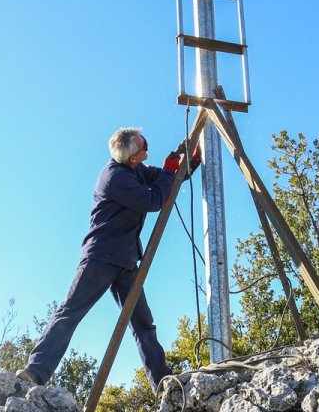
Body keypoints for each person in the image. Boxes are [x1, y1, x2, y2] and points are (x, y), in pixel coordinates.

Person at [18, 127, 195, 391]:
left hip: (124, 259)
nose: (148, 150)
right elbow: (154, 199)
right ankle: (35, 371)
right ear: (133, 157)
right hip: (101, 257)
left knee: (142, 322)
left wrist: (188, 163)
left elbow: (161, 179)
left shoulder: (133, 169)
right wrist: (170, 172)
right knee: (71, 313)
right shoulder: (115, 177)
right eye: (144, 147)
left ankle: (161, 381)